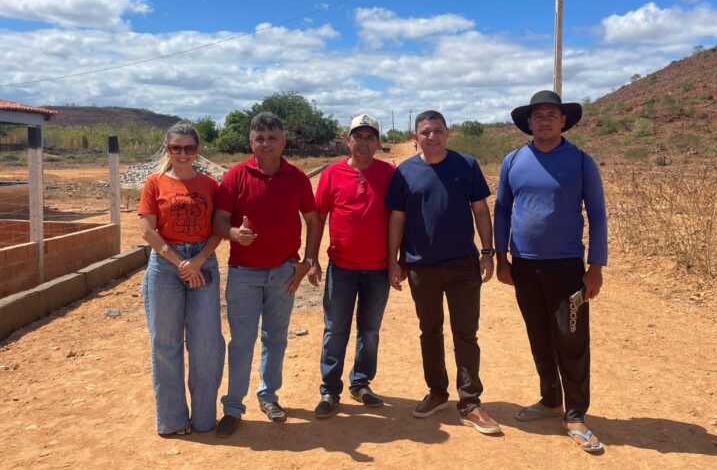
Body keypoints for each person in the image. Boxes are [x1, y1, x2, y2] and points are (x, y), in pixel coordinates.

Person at [494, 89, 607, 453]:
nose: (543, 121)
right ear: (528, 123)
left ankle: (575, 414)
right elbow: (501, 210)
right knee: (539, 335)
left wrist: (596, 266)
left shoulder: (580, 161)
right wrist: (500, 257)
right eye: (537, 116)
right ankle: (549, 399)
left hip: (566, 267)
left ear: (563, 121)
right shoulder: (513, 161)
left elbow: (598, 214)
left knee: (571, 339)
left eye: (550, 115)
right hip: (524, 265)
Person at [386, 110, 501, 435]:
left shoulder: (465, 165)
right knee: (430, 331)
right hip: (421, 265)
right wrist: (393, 260)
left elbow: (480, 209)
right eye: (425, 132)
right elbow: (397, 218)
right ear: (415, 137)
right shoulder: (405, 172)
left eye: (437, 131)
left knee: (466, 333)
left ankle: (470, 402)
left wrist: (487, 252)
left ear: (447, 133)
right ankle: (437, 392)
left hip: (463, 265)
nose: (432, 137)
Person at [212, 112, 320, 438]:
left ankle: (268, 396)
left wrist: (308, 261)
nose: (266, 143)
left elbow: (313, 221)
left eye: (272, 138)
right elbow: (218, 220)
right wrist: (233, 233)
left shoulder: (297, 178)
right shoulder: (235, 176)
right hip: (244, 273)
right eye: (260, 138)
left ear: (283, 142)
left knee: (276, 339)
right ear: (251, 142)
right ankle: (233, 407)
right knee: (242, 342)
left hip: (284, 272)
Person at [138, 121, 225, 436]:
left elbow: (218, 228)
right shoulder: (154, 183)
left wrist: (197, 261)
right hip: (165, 265)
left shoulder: (210, 185)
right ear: (168, 149)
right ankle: (173, 420)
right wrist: (180, 262)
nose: (183, 153)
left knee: (205, 343)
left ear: (197, 151)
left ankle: (204, 418)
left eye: (189, 148)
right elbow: (148, 229)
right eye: (177, 148)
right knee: (166, 343)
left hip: (203, 261)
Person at [310, 114, 395, 418]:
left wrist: (397, 261)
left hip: (378, 269)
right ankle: (329, 390)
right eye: (357, 136)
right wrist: (312, 259)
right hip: (341, 267)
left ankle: (360, 383)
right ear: (348, 140)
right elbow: (318, 217)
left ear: (377, 142)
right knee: (335, 329)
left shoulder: (389, 173)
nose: (363, 142)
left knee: (369, 330)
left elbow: (399, 219)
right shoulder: (332, 175)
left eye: (370, 137)